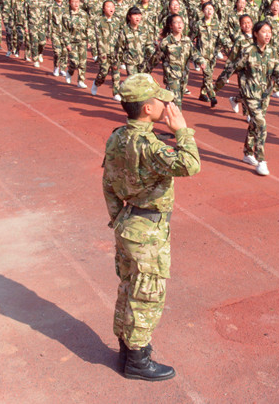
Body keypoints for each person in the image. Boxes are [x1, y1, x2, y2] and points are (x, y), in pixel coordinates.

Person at [102, 73, 201, 381]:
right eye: (160, 99)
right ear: (147, 108)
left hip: (128, 223)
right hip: (146, 230)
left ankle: (128, 349)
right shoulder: (148, 145)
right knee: (147, 295)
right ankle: (137, 360)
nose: (166, 103)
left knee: (129, 288)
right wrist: (182, 131)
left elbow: (107, 183)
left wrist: (119, 217)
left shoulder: (117, 136)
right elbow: (190, 164)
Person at [215, 21, 279, 176]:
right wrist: (216, 87)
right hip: (249, 93)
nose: (267, 35)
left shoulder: (272, 51)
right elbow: (232, 68)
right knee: (261, 124)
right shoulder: (247, 51)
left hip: (265, 94)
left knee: (255, 124)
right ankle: (261, 160)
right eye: (264, 32)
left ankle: (247, 153)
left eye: (269, 32)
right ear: (256, 34)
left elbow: (278, 69)